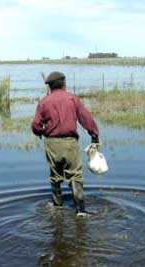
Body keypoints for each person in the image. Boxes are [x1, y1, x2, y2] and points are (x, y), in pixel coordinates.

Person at [32, 71, 100, 217]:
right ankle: (80, 210)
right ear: (63, 83)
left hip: (51, 144)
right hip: (70, 144)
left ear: (49, 86)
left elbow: (35, 125)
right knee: (75, 175)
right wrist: (94, 136)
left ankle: (57, 206)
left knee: (55, 176)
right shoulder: (72, 98)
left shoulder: (44, 102)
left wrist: (42, 132)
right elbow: (86, 118)